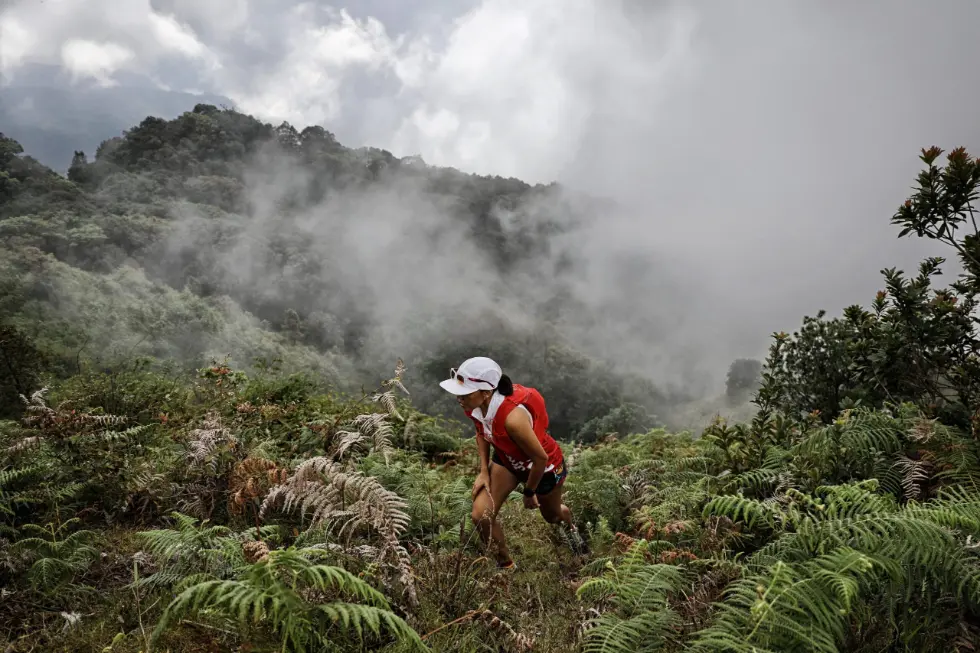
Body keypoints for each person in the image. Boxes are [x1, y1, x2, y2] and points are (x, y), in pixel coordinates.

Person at [439, 356, 589, 569]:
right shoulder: (474, 405)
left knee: (552, 516)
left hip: (543, 468)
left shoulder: (513, 419)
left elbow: (540, 459)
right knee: (481, 515)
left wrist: (529, 493)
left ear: (486, 392)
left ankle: (572, 529)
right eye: (458, 393)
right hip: (507, 459)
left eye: (465, 393)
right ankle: (506, 566)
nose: (459, 398)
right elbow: (481, 432)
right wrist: (483, 470)